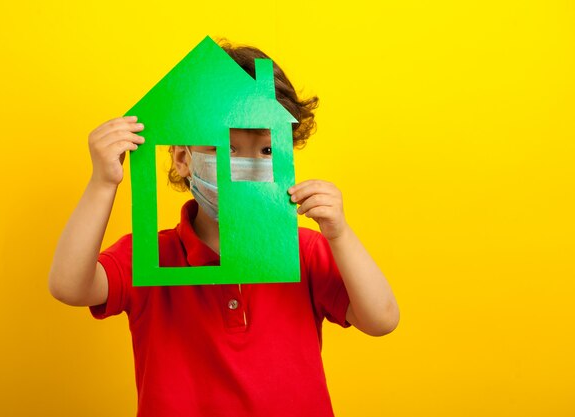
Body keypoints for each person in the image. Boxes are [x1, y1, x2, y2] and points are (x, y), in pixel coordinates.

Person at [49, 40, 400, 417]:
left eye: (266, 150)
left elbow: (381, 320)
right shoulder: (153, 254)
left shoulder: (305, 250)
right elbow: (69, 286)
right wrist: (102, 183)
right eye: (227, 149)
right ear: (183, 158)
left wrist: (340, 233)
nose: (246, 166)